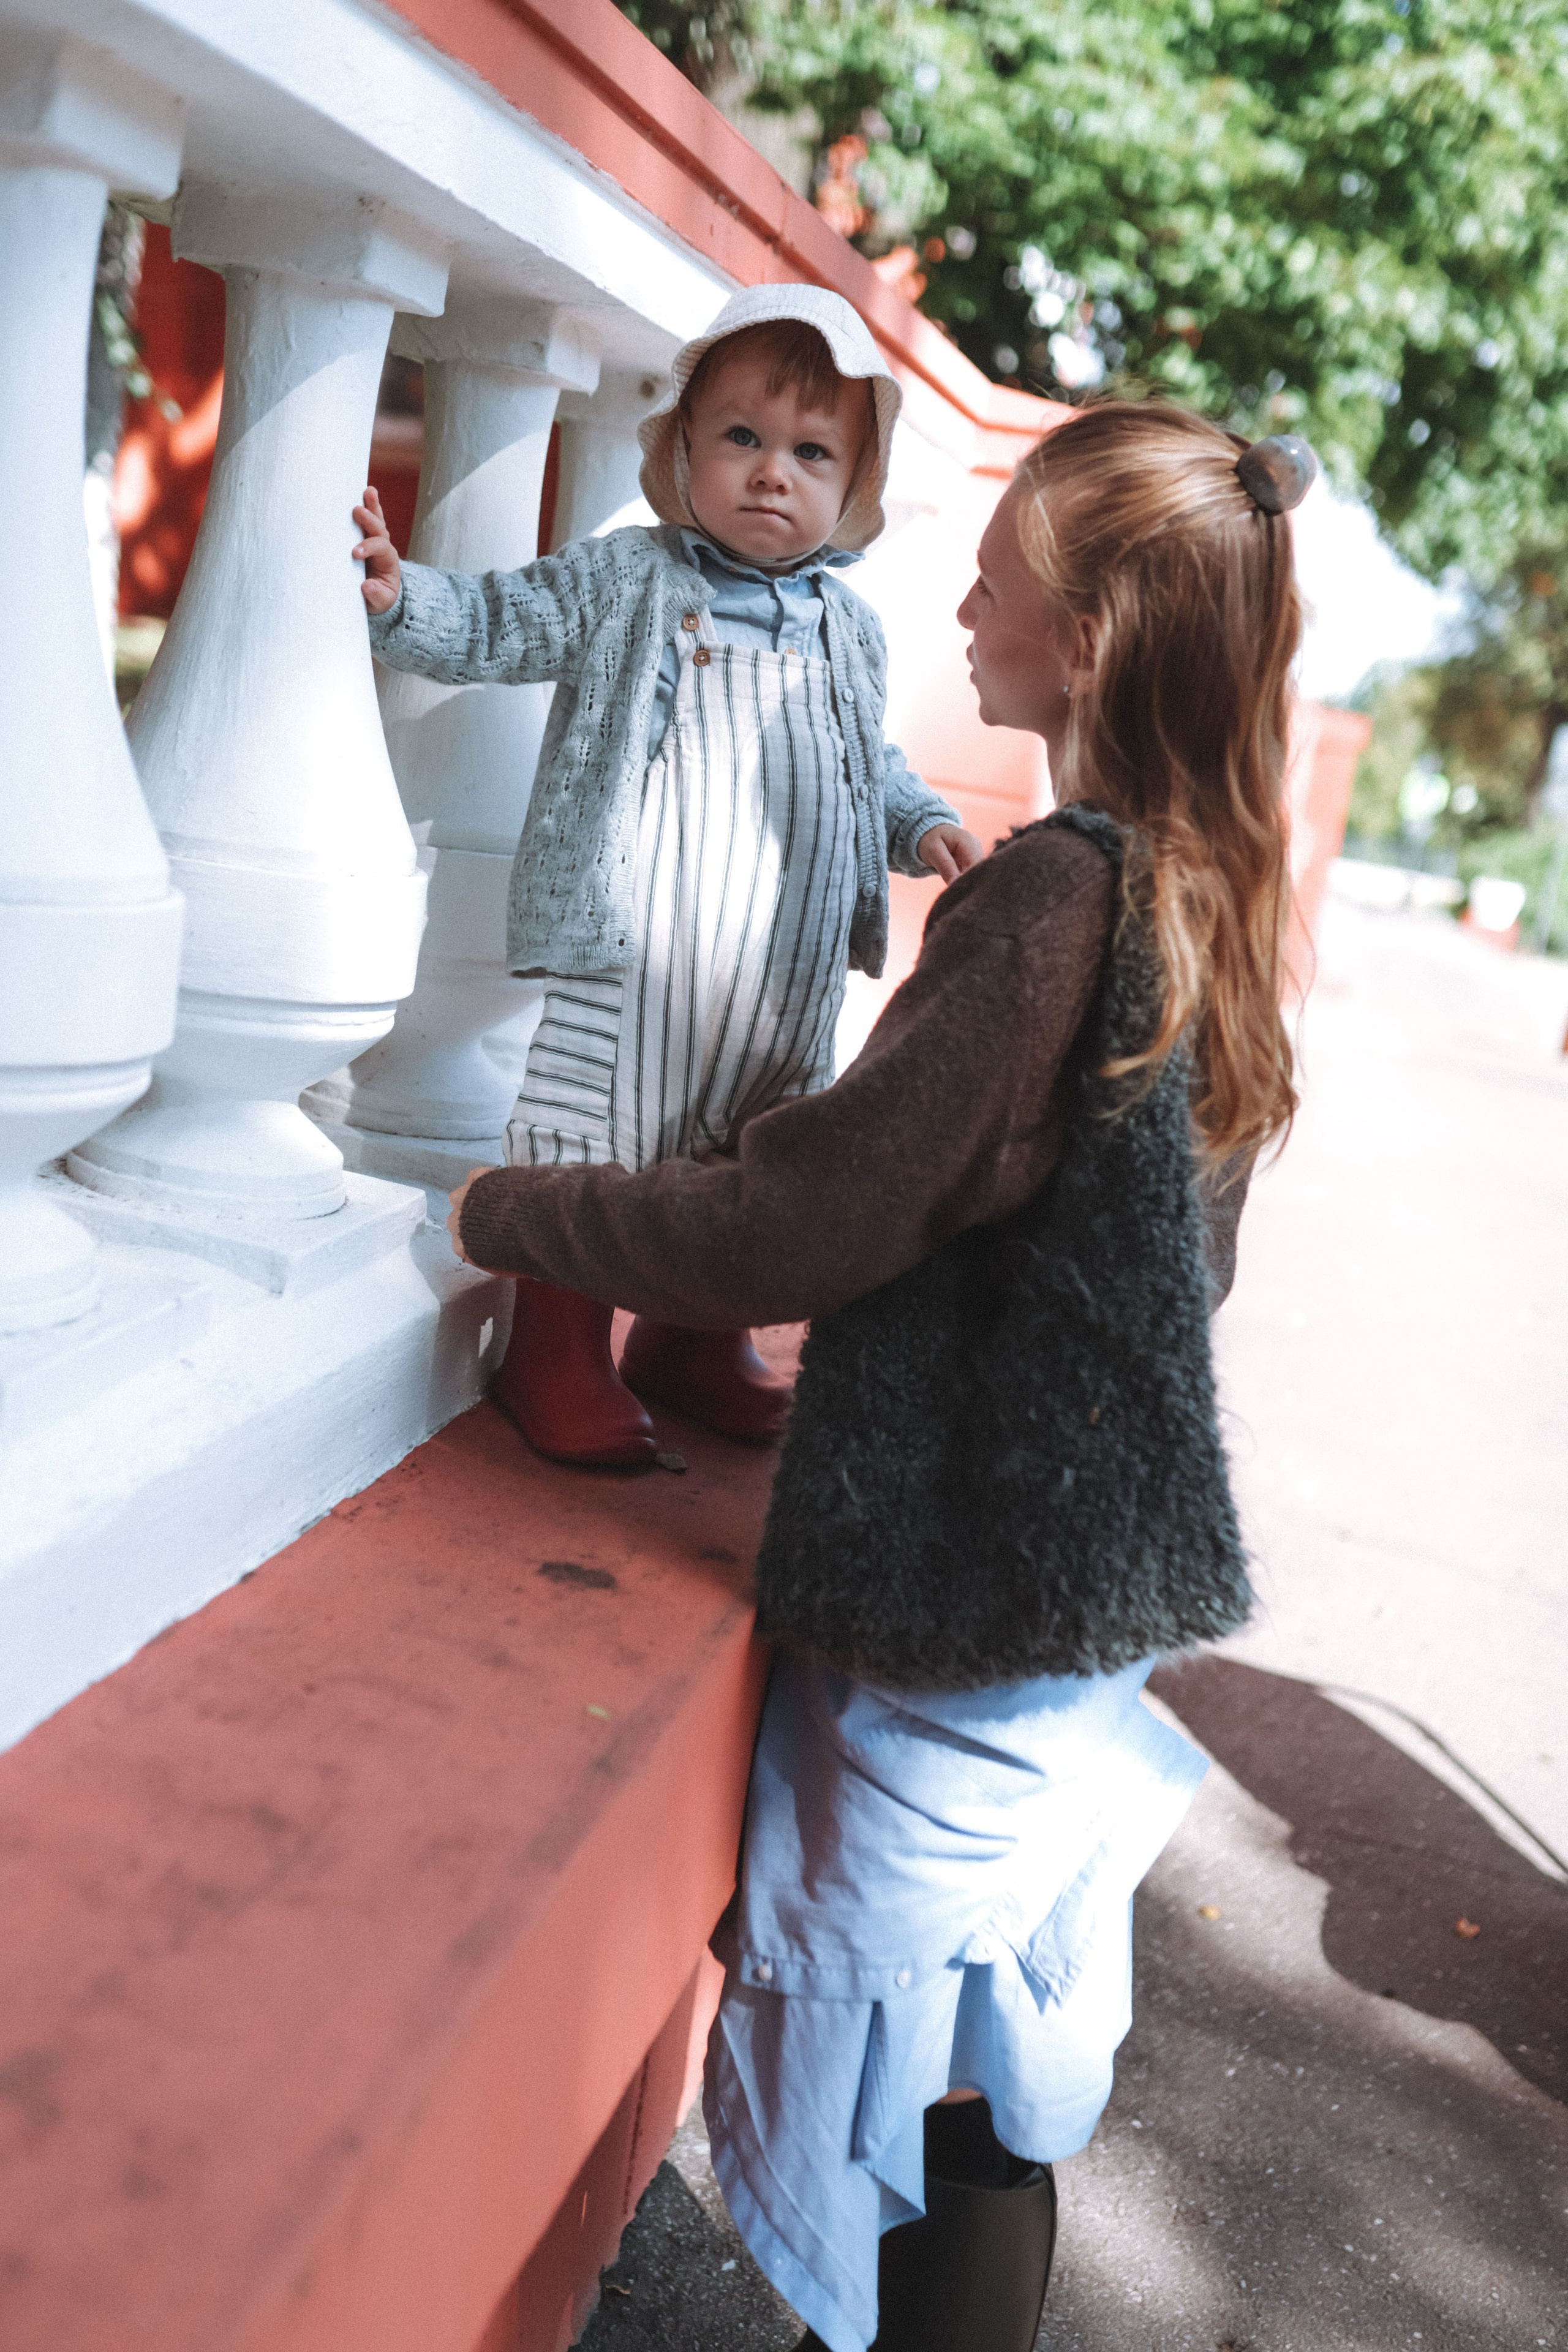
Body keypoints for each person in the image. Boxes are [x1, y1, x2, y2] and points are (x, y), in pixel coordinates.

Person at [445, 401, 1316, 2351]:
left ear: (1082, 640)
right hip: (1077, 1600)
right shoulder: (1217, 896)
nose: (959, 598)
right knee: (986, 2096)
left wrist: (510, 1212)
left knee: (917, 2112)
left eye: (996, 572)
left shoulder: (1056, 902)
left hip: (961, 1613)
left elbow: (802, 1225)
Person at [353, 284, 979, 1468]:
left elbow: (868, 762)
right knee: (595, 1141)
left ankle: (694, 1344)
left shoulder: (851, 629)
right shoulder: (628, 578)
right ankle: (556, 1351)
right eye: (740, 437)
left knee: (751, 1156)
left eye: (811, 452)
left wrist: (923, 826)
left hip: (781, 974)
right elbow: (501, 622)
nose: (770, 473)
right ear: (680, 447)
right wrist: (402, 598)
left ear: (857, 486)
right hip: (634, 950)